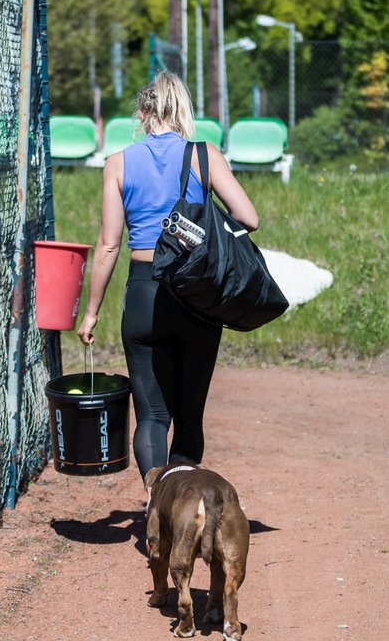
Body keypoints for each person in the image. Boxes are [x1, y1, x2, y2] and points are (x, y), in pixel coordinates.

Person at [77, 70, 259, 487]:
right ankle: (177, 504)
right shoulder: (204, 155)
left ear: (143, 114)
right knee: (188, 416)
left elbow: (107, 246)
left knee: (153, 416)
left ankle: (155, 501)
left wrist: (91, 313)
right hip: (197, 293)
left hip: (144, 293)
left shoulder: (117, 164)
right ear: (181, 111)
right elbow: (249, 218)